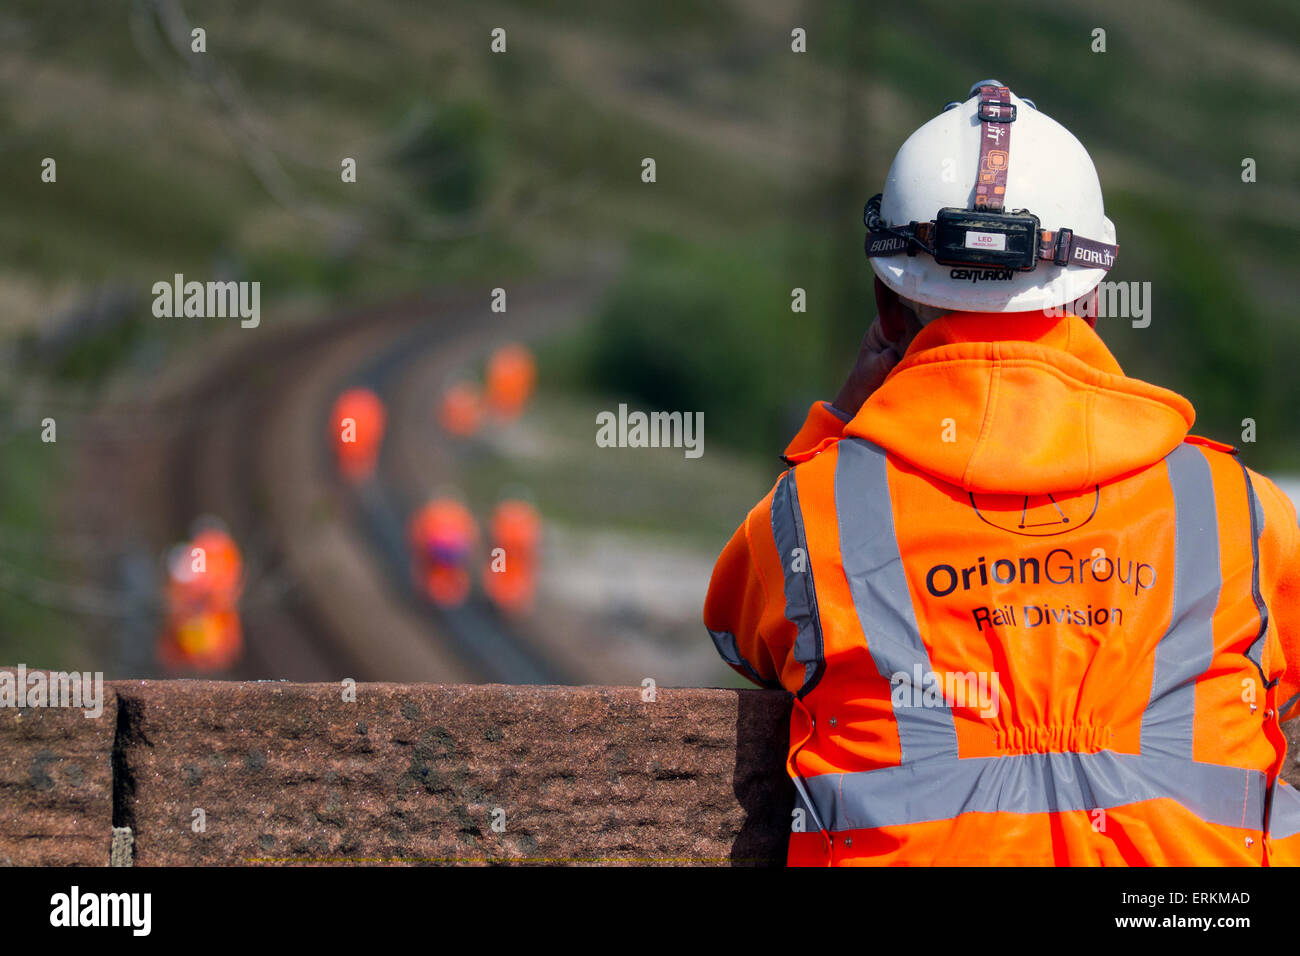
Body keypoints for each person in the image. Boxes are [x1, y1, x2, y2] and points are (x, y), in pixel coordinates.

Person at [703, 81, 1300, 865]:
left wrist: (840, 431)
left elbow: (744, 638)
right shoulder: (1239, 515)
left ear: (887, 310)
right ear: (1091, 297)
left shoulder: (811, 517)